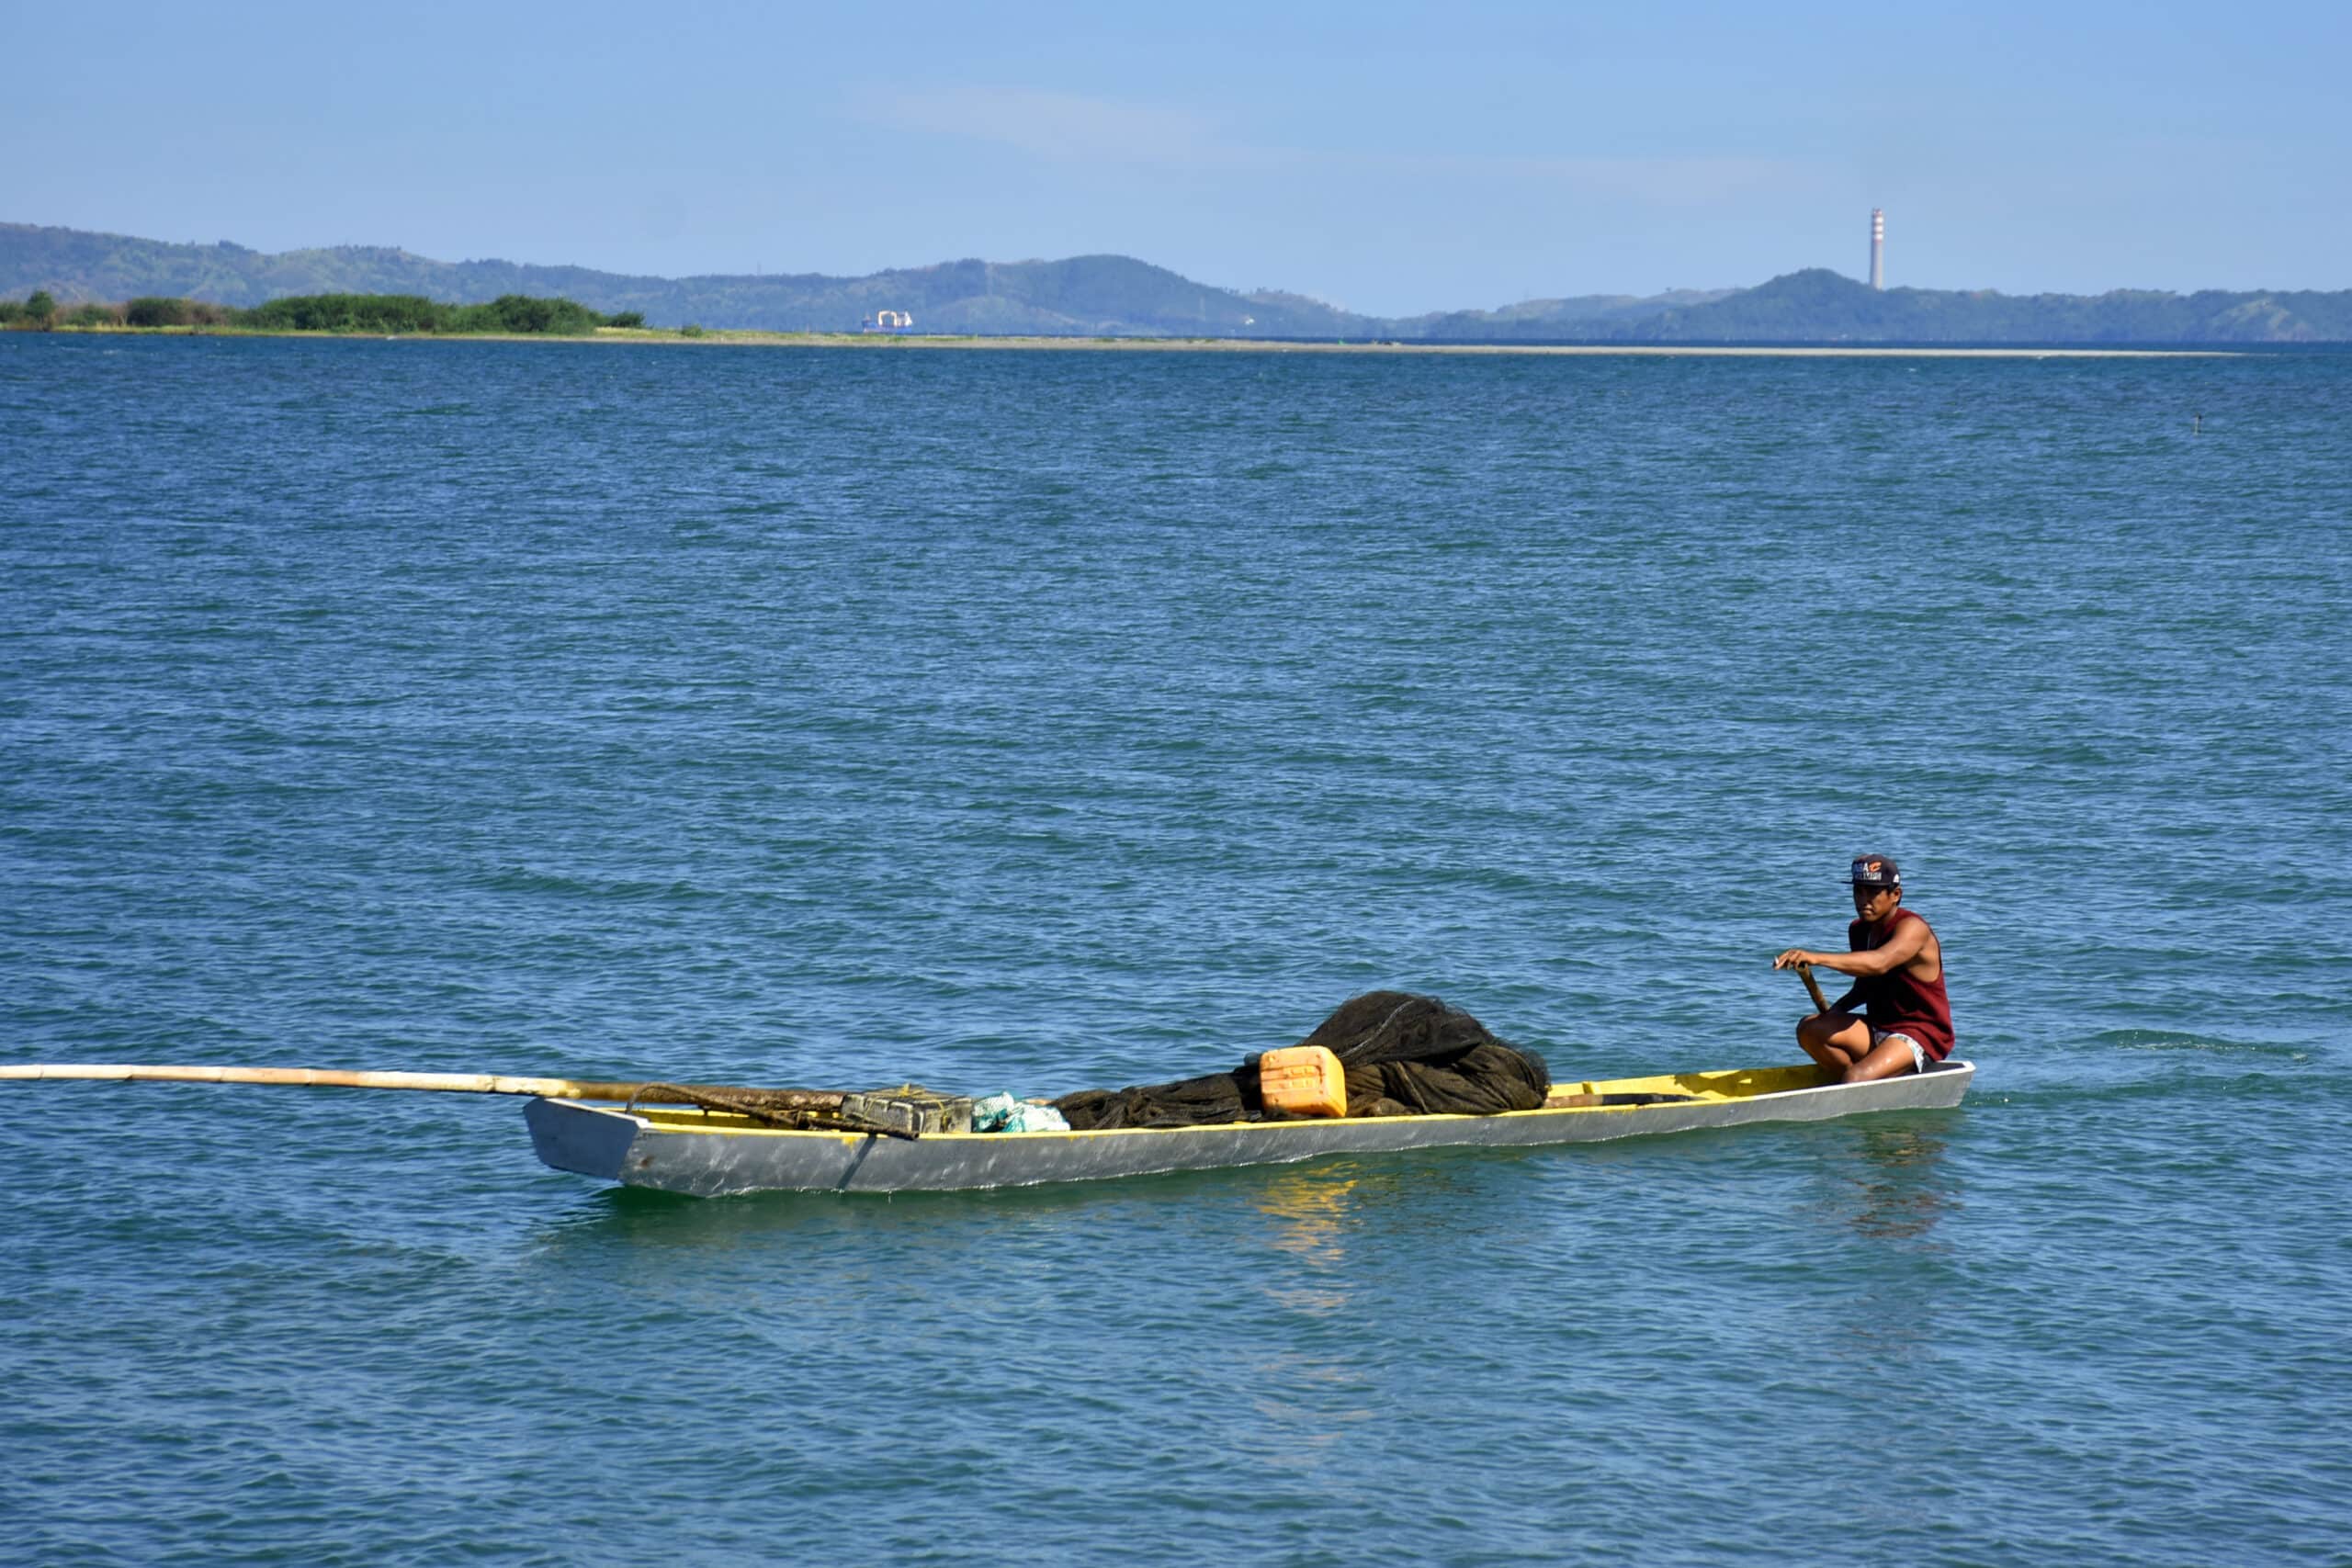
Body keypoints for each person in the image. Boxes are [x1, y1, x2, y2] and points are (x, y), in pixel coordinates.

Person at [1771, 854, 1954, 1083]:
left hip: (1918, 1034)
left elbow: (1879, 963)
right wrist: (1835, 1012)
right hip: (1878, 1026)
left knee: (1856, 1077)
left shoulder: (1913, 928)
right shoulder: (1859, 930)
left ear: (1896, 895)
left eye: (1873, 892)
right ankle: (1863, 1080)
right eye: (1858, 891)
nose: (1863, 900)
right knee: (1809, 1029)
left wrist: (1816, 957)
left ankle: (1859, 1079)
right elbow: (1865, 987)